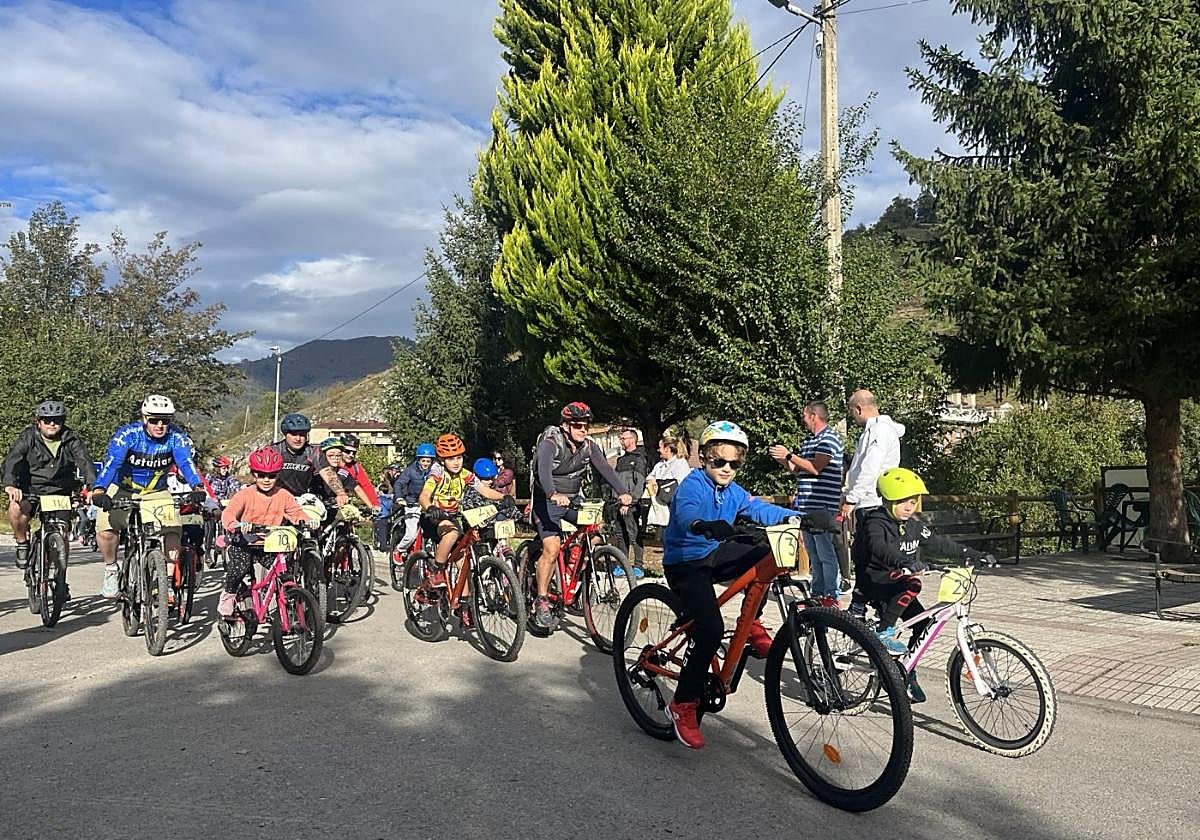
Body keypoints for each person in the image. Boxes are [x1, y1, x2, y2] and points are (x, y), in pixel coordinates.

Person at [662, 421, 798, 749]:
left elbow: (759, 508)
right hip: (685, 563)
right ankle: (682, 705)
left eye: (734, 463)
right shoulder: (693, 484)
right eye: (718, 461)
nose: (726, 468)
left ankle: (751, 623)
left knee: (766, 553)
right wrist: (701, 524)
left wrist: (798, 516)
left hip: (713, 555)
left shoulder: (733, 491)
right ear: (705, 459)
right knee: (709, 630)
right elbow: (686, 513)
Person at [852, 467, 992, 702]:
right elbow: (879, 547)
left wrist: (974, 554)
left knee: (924, 623)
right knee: (913, 585)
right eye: (904, 501)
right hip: (876, 582)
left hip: (896, 585)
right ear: (889, 500)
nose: (910, 506)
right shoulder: (875, 522)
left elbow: (940, 543)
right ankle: (883, 632)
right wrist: (905, 562)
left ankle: (906, 672)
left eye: (914, 501)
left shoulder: (914, 525)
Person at [91, 395, 212, 599]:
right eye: (154, 420)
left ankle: (167, 582)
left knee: (173, 528)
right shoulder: (128, 435)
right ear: (145, 418)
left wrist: (198, 487)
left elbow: (186, 464)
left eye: (165, 420)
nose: (160, 425)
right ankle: (111, 569)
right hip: (123, 489)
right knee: (105, 528)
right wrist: (99, 489)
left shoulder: (176, 437)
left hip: (156, 492)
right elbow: (112, 463)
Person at [529, 403, 633, 630]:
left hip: (573, 497)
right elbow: (543, 472)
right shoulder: (550, 443)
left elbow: (605, 469)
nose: (583, 429)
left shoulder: (589, 446)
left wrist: (623, 492)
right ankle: (542, 599)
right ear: (565, 426)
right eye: (577, 425)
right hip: (547, 500)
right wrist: (552, 493)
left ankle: (577, 575)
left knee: (595, 531)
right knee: (552, 548)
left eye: (586, 425)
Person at [217, 447, 319, 618]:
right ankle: (228, 594)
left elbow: (296, 513)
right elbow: (229, 513)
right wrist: (236, 524)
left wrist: (308, 521)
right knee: (239, 569)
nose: (266, 480)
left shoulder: (283, 495)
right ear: (253, 474)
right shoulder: (245, 495)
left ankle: (287, 604)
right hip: (244, 543)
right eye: (261, 475)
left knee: (285, 572)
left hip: (270, 544)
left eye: (271, 476)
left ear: (277, 475)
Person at [3, 400, 97, 578]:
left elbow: (85, 462)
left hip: (59, 491)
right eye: (47, 420)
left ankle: (60, 576)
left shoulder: (71, 439)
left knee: (61, 533)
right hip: (30, 489)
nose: (52, 424)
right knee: (15, 507)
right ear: (39, 422)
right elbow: (12, 461)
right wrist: (11, 484)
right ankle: (22, 542)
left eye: (57, 420)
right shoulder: (28, 437)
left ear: (63, 422)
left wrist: (93, 487)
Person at [768, 401, 844, 607]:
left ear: (813, 416)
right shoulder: (809, 440)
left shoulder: (830, 439)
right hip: (807, 505)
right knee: (813, 553)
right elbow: (798, 469)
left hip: (822, 505)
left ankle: (832, 595)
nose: (802, 419)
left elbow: (816, 467)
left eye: (804, 415)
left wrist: (790, 455)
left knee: (825, 553)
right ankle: (818, 594)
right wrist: (783, 460)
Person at [418, 434, 507, 587]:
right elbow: (424, 495)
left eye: (459, 458)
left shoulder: (465, 474)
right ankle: (437, 570)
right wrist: (430, 507)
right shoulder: (437, 473)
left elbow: (484, 490)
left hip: (451, 517)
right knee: (453, 533)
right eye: (451, 459)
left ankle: (463, 606)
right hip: (433, 516)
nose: (456, 462)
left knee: (462, 564)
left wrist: (503, 498)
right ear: (442, 460)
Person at [841, 389, 905, 522]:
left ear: (858, 408)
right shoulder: (875, 430)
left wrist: (851, 499)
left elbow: (871, 466)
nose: (853, 417)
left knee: (871, 541)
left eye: (851, 411)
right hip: (869, 501)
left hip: (872, 504)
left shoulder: (879, 430)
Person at [269, 413, 348, 507]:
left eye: (302, 435)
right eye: (294, 434)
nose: (298, 439)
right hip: (275, 499)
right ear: (285, 434)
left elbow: (328, 473)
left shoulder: (313, 452)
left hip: (301, 501)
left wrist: (340, 493)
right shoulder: (274, 451)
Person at [612, 428, 647, 577]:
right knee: (620, 535)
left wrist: (630, 502)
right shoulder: (620, 460)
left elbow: (640, 484)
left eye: (624, 438)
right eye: (620, 438)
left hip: (631, 505)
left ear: (632, 439)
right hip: (617, 504)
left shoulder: (639, 459)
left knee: (634, 534)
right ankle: (622, 564)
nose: (621, 441)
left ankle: (638, 566)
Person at [391, 443, 435, 559]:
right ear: (418, 460)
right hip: (412, 503)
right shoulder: (410, 470)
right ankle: (399, 550)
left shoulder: (435, 472)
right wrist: (400, 498)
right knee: (411, 534)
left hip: (428, 504)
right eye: (423, 461)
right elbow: (399, 483)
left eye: (428, 461)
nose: (425, 464)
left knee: (433, 534)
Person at [645, 433, 691, 529]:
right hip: (660, 506)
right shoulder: (660, 465)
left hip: (674, 507)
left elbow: (682, 484)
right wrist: (652, 481)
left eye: (660, 447)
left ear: (667, 449)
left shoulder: (680, 464)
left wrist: (659, 484)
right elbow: (650, 477)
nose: (658, 450)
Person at [337, 433, 381, 512]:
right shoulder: (332, 463)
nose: (351, 455)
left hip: (344, 503)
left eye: (354, 453)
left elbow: (366, 486)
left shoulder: (355, 467)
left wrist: (374, 505)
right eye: (347, 451)